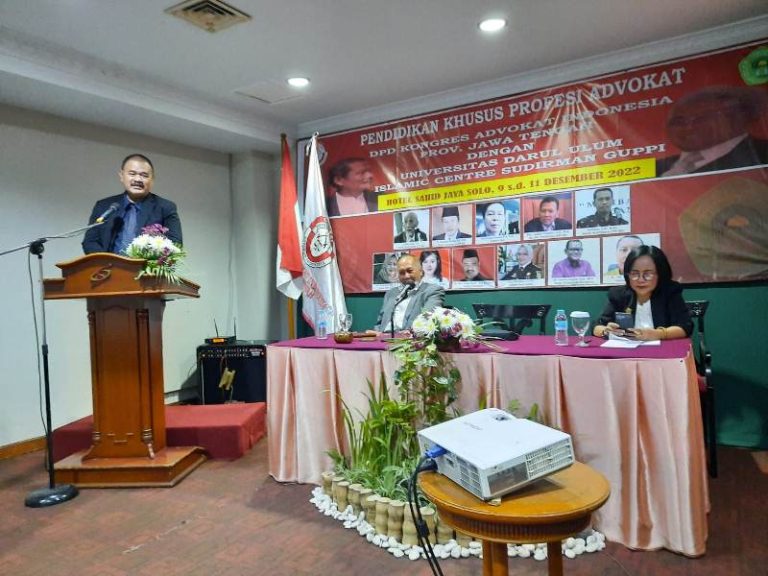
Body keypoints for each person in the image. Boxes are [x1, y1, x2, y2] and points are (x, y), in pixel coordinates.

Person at [657, 86, 768, 177]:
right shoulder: (656, 166)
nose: (689, 127)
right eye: (679, 121)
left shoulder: (761, 154)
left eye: (703, 118)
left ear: (738, 118)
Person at [82, 154, 182, 254]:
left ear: (152, 180)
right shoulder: (104, 206)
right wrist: (105, 263)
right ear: (122, 176)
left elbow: (175, 244)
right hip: (107, 267)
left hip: (145, 268)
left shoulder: (165, 208)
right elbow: (90, 242)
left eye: (144, 175)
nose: (138, 179)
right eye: (132, 174)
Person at [594, 246, 693, 341]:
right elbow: (596, 326)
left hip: (664, 352)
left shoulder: (670, 292)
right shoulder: (618, 295)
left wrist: (658, 334)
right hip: (627, 353)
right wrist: (606, 331)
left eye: (647, 274)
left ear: (660, 274)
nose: (641, 279)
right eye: (635, 273)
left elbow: (685, 327)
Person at [374, 254, 445, 331]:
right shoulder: (391, 293)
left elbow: (427, 320)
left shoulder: (432, 291)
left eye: (410, 271)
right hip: (383, 338)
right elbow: (379, 323)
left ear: (421, 271)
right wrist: (375, 333)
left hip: (408, 339)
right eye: (402, 272)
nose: (406, 276)